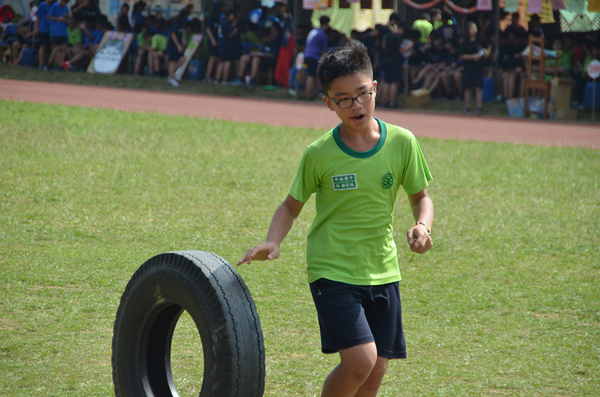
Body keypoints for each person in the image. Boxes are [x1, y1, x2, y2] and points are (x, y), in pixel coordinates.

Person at [237, 39, 434, 397]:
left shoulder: (403, 142)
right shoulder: (320, 153)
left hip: (383, 269)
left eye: (362, 93)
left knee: (375, 372)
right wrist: (273, 240)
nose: (356, 105)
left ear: (375, 88)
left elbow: (422, 198)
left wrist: (422, 226)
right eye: (343, 98)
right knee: (360, 360)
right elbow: (290, 206)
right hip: (333, 270)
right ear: (329, 103)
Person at [460, 21, 485, 115]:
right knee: (468, 88)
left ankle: (479, 108)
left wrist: (486, 53)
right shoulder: (465, 42)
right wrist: (473, 57)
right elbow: (462, 56)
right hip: (468, 67)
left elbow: (487, 48)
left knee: (479, 88)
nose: (473, 30)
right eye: (471, 28)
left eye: (475, 28)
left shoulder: (480, 40)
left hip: (478, 67)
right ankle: (467, 108)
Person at [304, 15, 330, 100]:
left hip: (307, 54)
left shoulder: (314, 31)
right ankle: (309, 96)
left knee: (313, 75)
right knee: (312, 76)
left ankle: (312, 93)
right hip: (314, 56)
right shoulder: (323, 35)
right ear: (326, 24)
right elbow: (324, 51)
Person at [46, 0, 70, 70]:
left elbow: (66, 17)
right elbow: (48, 16)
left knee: (64, 47)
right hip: (56, 31)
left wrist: (68, 18)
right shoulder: (55, 6)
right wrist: (58, 19)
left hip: (64, 31)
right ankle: (49, 63)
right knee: (57, 48)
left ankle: (59, 64)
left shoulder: (65, 7)